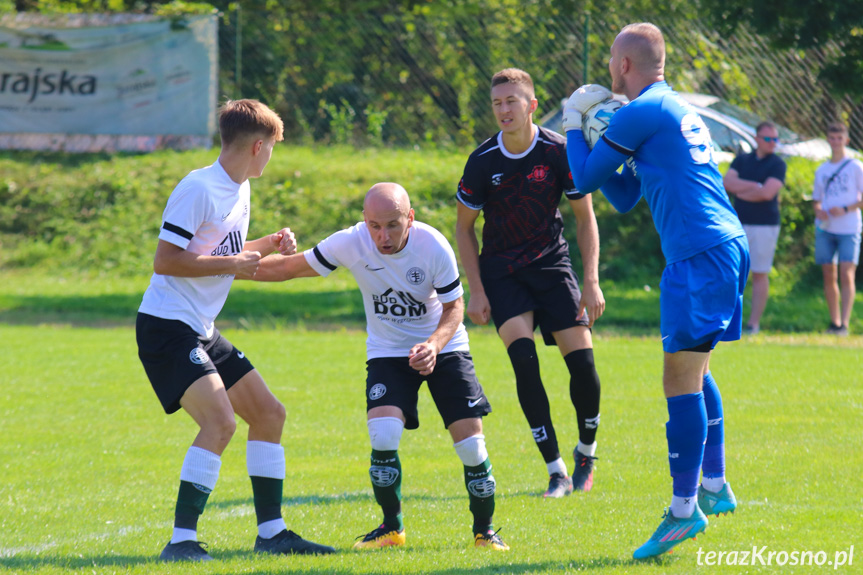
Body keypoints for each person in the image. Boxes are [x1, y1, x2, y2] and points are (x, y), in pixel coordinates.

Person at [563, 23, 749, 559]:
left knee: (679, 378)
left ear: (623, 65)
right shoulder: (670, 109)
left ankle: (683, 511)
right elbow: (622, 192)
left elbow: (581, 181)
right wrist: (601, 135)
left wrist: (577, 124)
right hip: (718, 247)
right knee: (697, 370)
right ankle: (713, 488)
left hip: (699, 255)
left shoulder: (642, 111)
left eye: (609, 65)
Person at [249, 183, 509, 551]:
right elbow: (289, 268)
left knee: (471, 447)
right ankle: (392, 527)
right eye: (374, 226)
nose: (382, 237)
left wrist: (433, 346)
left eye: (392, 225)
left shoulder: (432, 246)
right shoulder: (351, 242)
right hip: (388, 351)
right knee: (383, 435)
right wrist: (221, 268)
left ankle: (485, 531)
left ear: (410, 218)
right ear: (364, 221)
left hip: (444, 347)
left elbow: (454, 307)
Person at [136, 99, 335, 562]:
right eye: (273, 149)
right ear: (258, 146)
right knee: (220, 422)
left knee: (269, 413)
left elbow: (216, 248)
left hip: (200, 327)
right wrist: (235, 263)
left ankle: (272, 533)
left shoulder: (239, 187)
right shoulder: (199, 187)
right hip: (168, 326)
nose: (271, 157)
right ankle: (181, 542)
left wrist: (264, 246)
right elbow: (166, 260)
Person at [455, 68, 605, 499]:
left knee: (585, 369)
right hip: (503, 272)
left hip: (553, 267)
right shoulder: (482, 161)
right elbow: (464, 228)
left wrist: (590, 281)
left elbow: (585, 218)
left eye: (512, 101)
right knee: (524, 362)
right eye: (497, 103)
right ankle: (556, 470)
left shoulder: (558, 152)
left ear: (532, 105)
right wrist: (477, 289)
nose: (504, 110)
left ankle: (586, 452)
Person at [723, 121, 787, 334]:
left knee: (759, 272)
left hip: (765, 225)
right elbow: (727, 183)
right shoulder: (742, 160)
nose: (772, 143)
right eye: (768, 139)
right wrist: (753, 186)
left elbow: (768, 193)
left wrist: (743, 189)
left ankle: (753, 324)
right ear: (757, 139)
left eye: (775, 139)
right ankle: (729, 321)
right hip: (738, 223)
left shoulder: (778, 164)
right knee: (732, 272)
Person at [812, 122, 863, 336]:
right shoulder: (822, 169)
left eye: (839, 138)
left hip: (849, 227)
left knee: (846, 273)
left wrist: (845, 208)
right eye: (832, 138)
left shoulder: (855, 167)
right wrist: (819, 211)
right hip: (826, 227)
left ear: (846, 140)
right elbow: (816, 199)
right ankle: (834, 322)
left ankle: (845, 322)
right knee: (828, 273)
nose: (835, 142)